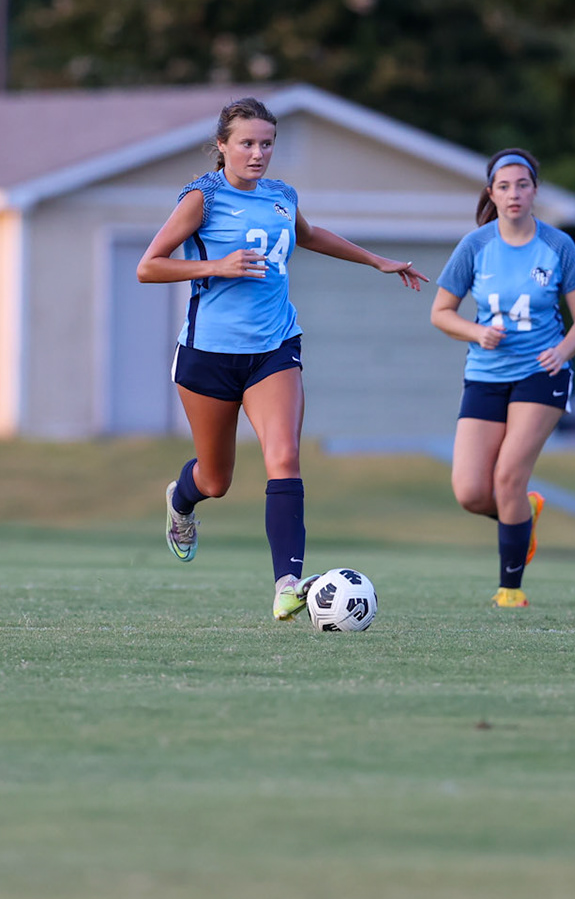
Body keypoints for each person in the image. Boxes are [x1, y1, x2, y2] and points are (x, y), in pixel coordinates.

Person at [139, 96, 428, 619]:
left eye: (266, 143)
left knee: (285, 459)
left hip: (274, 349)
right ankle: (182, 501)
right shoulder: (200, 199)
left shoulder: (281, 197)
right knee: (216, 480)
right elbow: (149, 266)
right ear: (222, 146)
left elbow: (310, 236)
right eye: (246, 143)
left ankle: (288, 585)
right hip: (208, 357)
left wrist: (376, 260)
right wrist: (216, 267)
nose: (257, 153)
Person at [430, 148, 575, 607]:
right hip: (485, 375)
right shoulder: (476, 246)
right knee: (469, 492)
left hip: (540, 376)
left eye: (522, 185)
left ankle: (510, 590)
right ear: (492, 194)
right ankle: (528, 511)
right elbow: (441, 313)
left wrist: (561, 351)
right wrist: (477, 331)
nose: (514, 194)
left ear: (535, 190)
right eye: (504, 186)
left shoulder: (558, 245)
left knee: (507, 479)